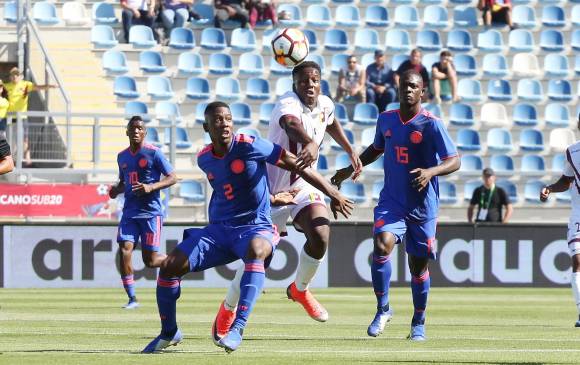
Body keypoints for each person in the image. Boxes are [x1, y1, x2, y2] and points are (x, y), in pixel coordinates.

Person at [141, 101, 353, 353]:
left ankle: (237, 327)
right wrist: (273, 198)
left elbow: (298, 165)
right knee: (169, 267)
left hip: (255, 227)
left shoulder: (251, 145)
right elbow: (227, 189)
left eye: (228, 118)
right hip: (219, 230)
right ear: (206, 127)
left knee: (258, 250)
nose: (225, 123)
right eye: (218, 120)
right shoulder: (204, 158)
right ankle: (169, 332)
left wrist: (332, 193)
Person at [210, 61, 363, 344]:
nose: (311, 85)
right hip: (269, 192)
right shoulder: (286, 105)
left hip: (303, 186)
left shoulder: (326, 104)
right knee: (257, 259)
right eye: (304, 81)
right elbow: (291, 126)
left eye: (315, 80)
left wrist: (349, 148)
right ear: (295, 85)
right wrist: (310, 143)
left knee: (320, 232)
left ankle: (300, 289)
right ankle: (228, 308)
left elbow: (330, 121)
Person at [331, 70, 460, 341]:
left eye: (414, 86)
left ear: (422, 91)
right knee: (381, 243)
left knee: (418, 268)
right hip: (392, 201)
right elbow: (376, 148)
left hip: (423, 207)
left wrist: (431, 172)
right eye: (404, 86)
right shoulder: (386, 118)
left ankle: (418, 322)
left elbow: (455, 160)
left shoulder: (431, 124)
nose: (408, 90)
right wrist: (348, 169)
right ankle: (383, 309)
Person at [108, 116, 177, 309]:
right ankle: (132, 298)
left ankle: (180, 262)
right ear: (127, 132)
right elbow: (124, 182)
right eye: (133, 128)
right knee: (125, 250)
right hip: (130, 212)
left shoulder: (154, 153)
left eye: (140, 128)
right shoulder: (122, 157)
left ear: (145, 133)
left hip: (150, 213)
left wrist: (151, 187)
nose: (136, 131)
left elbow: (173, 178)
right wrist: (116, 190)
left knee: (150, 260)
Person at [540, 113, 580, 327]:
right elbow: (566, 180)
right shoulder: (572, 151)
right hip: (578, 214)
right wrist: (550, 188)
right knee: (577, 260)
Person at [5, 67, 56, 167]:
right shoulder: (7, 86)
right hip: (11, 118)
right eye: (13, 75)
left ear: (20, 76)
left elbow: (39, 87)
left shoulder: (25, 85)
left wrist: (50, 86)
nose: (15, 76)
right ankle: (14, 159)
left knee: (25, 139)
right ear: (10, 77)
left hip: (22, 117)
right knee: (11, 140)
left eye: (17, 74)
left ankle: (27, 157)